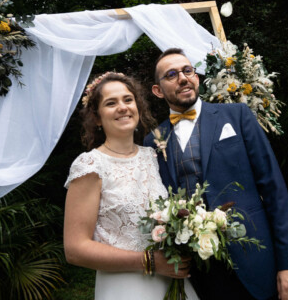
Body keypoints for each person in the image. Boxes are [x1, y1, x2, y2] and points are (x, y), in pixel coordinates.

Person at [144, 48, 288, 300]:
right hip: (200, 275)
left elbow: (274, 188)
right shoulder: (153, 142)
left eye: (188, 71)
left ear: (196, 77)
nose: (183, 78)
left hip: (255, 259)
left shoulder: (237, 115)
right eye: (172, 74)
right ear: (158, 90)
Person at [63, 72, 199, 299]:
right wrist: (149, 262)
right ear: (97, 117)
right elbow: (75, 249)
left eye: (128, 100)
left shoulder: (154, 155)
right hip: (125, 285)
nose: (123, 107)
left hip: (173, 280)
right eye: (111, 103)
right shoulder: (90, 165)